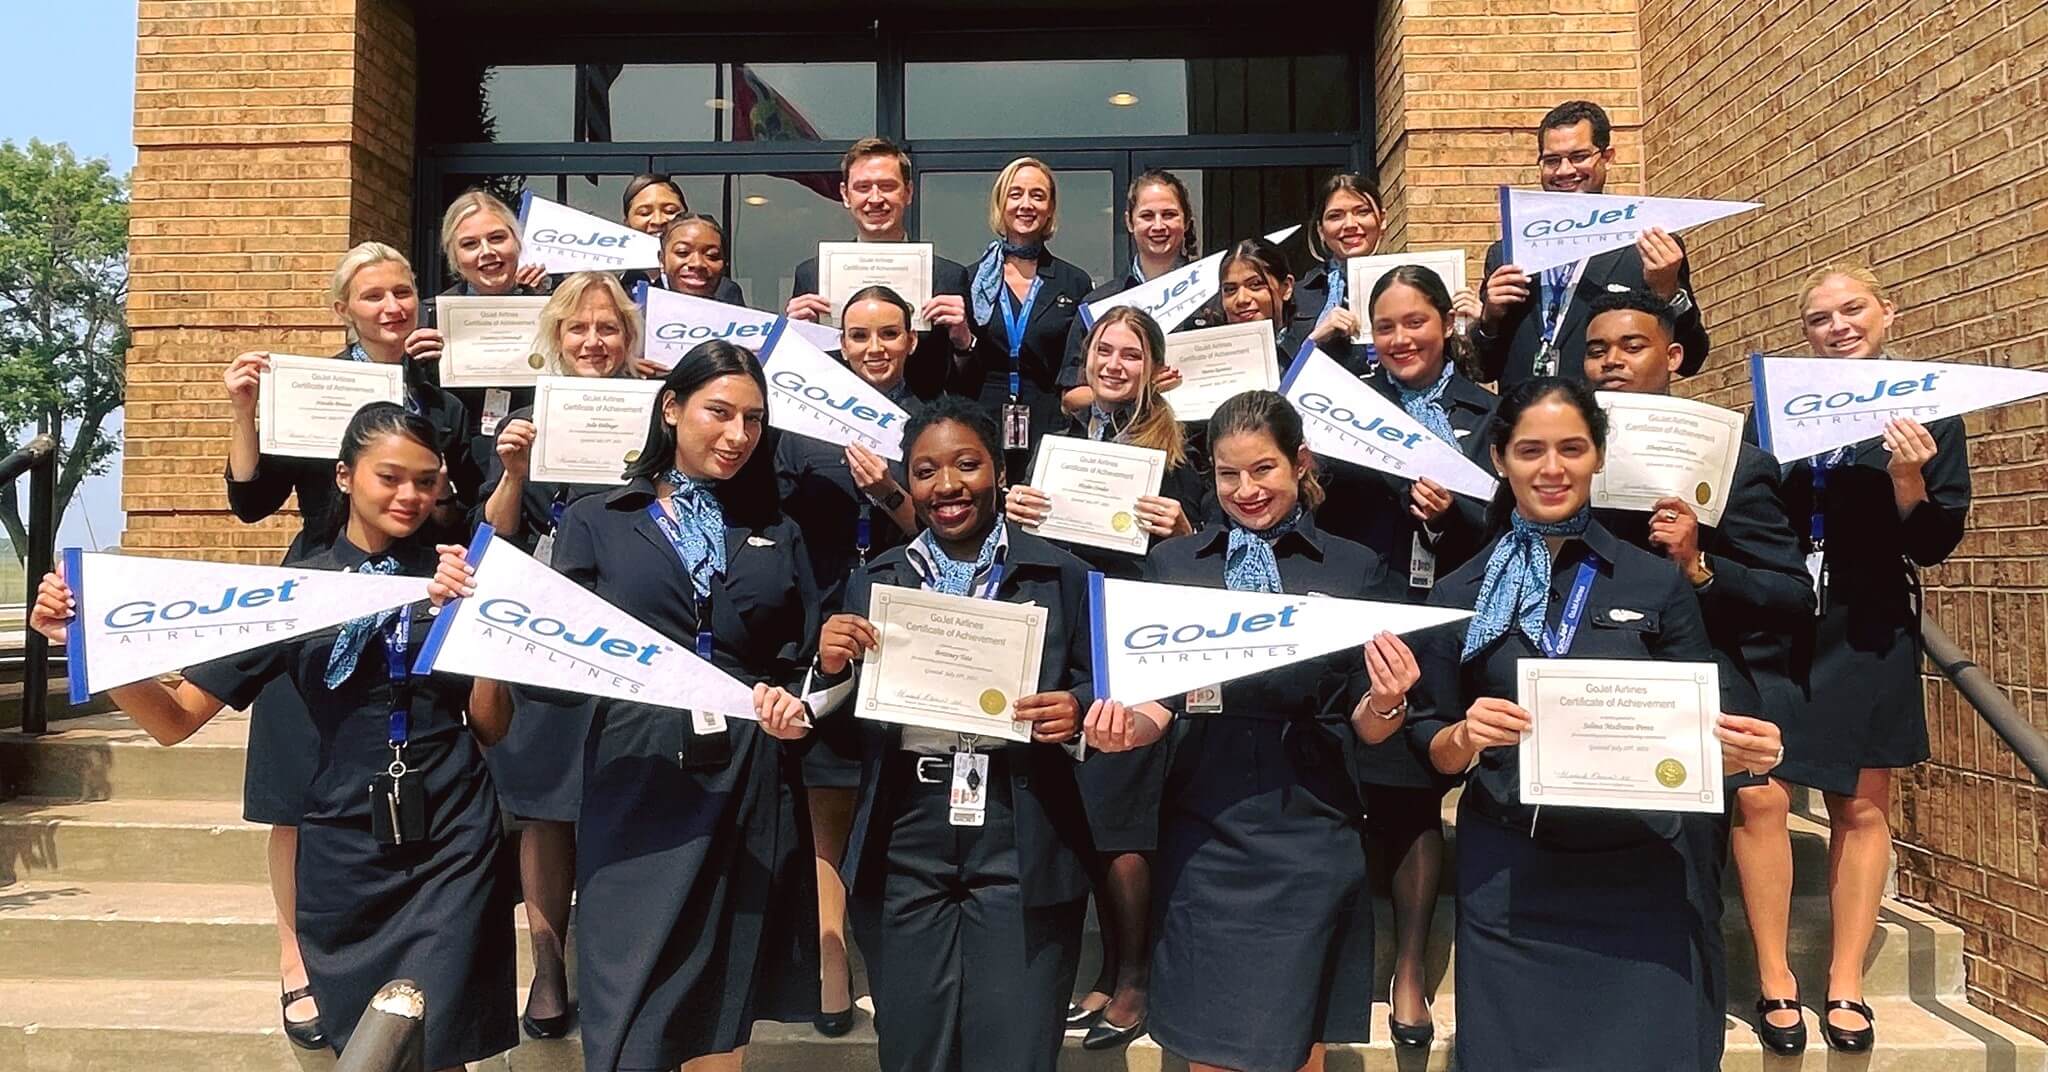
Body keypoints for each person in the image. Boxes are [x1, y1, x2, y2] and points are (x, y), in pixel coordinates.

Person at [34, 403, 518, 1071]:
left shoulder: (456, 575)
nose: (410, 495)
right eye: (390, 477)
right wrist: (87, 645)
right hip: (343, 847)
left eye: (426, 480)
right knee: (373, 1050)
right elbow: (174, 718)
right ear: (345, 477)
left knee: (438, 1039)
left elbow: (492, 724)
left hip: (453, 837)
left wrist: (486, 633)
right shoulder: (291, 592)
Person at [1402, 377, 1784, 1071]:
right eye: (1531, 451)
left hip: (1640, 867)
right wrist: (1463, 737)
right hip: (1515, 875)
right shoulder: (1460, 591)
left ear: (1599, 456)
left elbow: (1704, 711)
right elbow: (1428, 732)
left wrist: (1742, 751)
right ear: (1499, 459)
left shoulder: (1654, 581)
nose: (1552, 468)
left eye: (1572, 448)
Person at [466, 341, 821, 1072]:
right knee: (626, 978)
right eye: (719, 413)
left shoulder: (777, 528)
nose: (737, 435)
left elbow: (799, 659)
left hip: (747, 777)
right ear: (671, 408)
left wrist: (800, 702)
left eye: (754, 420)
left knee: (724, 993)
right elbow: (559, 649)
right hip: (638, 769)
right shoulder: (600, 518)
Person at [1081, 389, 1420, 1072]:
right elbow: (1158, 706)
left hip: (1312, 827)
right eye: (1228, 474)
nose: (1246, 490)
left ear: (1300, 462)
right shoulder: (1176, 566)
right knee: (1208, 1050)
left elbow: (1369, 725)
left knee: (1300, 1049)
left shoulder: (1353, 569)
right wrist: (1124, 731)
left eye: (1263, 469)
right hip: (1205, 828)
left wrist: (1389, 701)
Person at [218, 241, 480, 1049]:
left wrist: (439, 398)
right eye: (374, 296)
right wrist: (244, 409)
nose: (393, 307)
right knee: (297, 786)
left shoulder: (440, 393)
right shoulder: (309, 385)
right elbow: (253, 502)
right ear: (345, 309)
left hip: (414, 591)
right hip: (319, 600)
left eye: (404, 291)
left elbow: (458, 500)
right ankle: (295, 960)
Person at [805, 396, 1096, 1072]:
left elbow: (1098, 689)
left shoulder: (1062, 575)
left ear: (998, 469)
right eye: (926, 471)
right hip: (908, 832)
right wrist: (828, 667)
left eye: (967, 465)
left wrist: (1076, 708)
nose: (947, 487)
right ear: (907, 482)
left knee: (1017, 1049)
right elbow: (835, 731)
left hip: (1020, 824)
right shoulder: (878, 580)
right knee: (914, 1048)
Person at [1734, 265, 1970, 1055]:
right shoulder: (1770, 413)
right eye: (1817, 318)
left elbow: (1935, 542)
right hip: (1775, 620)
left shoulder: (1930, 409)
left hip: (1866, 623)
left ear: (1887, 314)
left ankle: (1845, 981)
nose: (1836, 327)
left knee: (1862, 805)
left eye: (1851, 310)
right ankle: (1775, 977)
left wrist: (1909, 477)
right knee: (1761, 796)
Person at [1582, 287, 1815, 1053]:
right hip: (1595, 674)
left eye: (1631, 346)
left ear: (1674, 355)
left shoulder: (1738, 464)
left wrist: (1702, 566)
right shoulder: (1567, 455)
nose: (1612, 361)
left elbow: (1790, 593)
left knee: (1745, 806)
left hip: (1702, 669)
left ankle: (1762, 981)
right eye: (1597, 350)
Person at [1002, 306, 1207, 1048]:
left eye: (1129, 354)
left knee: (1122, 818)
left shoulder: (1181, 452)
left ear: (1154, 366)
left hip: (1141, 642)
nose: (1113, 364)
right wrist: (1015, 510)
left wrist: (1185, 530)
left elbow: (1215, 547)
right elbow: (1028, 547)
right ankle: (1109, 968)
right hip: (1073, 642)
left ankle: (1135, 980)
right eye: (1103, 351)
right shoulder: (1061, 447)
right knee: (1088, 810)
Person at [1316, 264, 1497, 1047]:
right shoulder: (1347, 408)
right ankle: (1345, 954)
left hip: (1441, 617)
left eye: (1414, 322)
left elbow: (1511, 522)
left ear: (1444, 324)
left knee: (1419, 790)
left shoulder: (1486, 413)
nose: (1399, 340)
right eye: (1384, 327)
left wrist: (1457, 511)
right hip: (1356, 609)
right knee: (1353, 772)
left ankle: (1413, 970)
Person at [471, 269, 647, 1040]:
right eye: (578, 329)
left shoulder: (657, 412)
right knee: (543, 806)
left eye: (608, 329)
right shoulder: (523, 419)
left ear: (628, 338)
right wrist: (513, 472)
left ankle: (615, 963)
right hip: (545, 631)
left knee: (620, 796)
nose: (594, 342)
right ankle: (546, 966)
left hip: (634, 627)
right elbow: (493, 533)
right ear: (555, 338)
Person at [772, 284, 925, 1038]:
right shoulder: (798, 422)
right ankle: (832, 962)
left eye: (888, 334)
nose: (874, 347)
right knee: (827, 784)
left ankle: (897, 962)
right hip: (823, 610)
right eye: (858, 334)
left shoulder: (927, 420)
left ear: (910, 342)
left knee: (893, 785)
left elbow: (952, 522)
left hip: (911, 616)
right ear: (840, 342)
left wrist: (891, 490)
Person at [1471, 100, 1710, 389]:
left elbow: (1692, 358)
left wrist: (1667, 291)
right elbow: (1482, 371)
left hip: (1609, 422)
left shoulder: (1648, 247)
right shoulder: (1508, 252)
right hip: (1525, 423)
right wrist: (1490, 319)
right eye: (1551, 160)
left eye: (1579, 156)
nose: (1564, 170)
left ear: (1606, 156)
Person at [785, 137, 974, 401]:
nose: (875, 199)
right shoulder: (812, 275)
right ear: (845, 194)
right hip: (839, 422)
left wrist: (963, 340)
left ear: (908, 193)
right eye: (863, 187)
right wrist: (796, 337)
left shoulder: (948, 277)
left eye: (887, 187)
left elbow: (968, 385)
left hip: (921, 425)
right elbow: (798, 377)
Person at [953, 156, 1094, 452]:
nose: (1026, 204)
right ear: (1000, 204)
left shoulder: (1074, 281)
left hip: (1052, 424)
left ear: (1050, 208)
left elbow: (1078, 366)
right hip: (981, 422)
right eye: (1015, 194)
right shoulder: (971, 279)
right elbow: (957, 369)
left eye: (1038, 195)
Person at [410, 190, 551, 483]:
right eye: (470, 244)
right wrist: (408, 364)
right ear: (455, 258)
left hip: (535, 459)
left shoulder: (554, 311)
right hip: (457, 469)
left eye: (498, 238)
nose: (487, 251)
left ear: (517, 243)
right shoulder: (428, 317)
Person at [1058, 169, 1208, 415]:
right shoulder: (1100, 304)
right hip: (1123, 445)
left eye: (1169, 215)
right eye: (1147, 216)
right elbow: (1070, 398)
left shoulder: (1213, 295)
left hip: (1196, 443)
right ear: (1130, 222)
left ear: (1187, 221)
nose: (1158, 226)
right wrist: (1138, 388)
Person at [1289, 174, 1385, 374]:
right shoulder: (1297, 296)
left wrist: (1467, 327)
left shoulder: (1411, 285)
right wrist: (1316, 338)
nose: (1350, 224)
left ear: (1382, 220)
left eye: (1362, 212)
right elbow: (1282, 373)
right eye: (1335, 216)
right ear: (1321, 230)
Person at [1216, 237, 1306, 374]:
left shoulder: (1308, 352)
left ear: (1286, 287)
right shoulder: (1210, 359)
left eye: (1255, 285)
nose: (1242, 299)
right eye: (1230, 289)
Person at [655, 211, 747, 306]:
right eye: (683, 252)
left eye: (711, 255)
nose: (697, 263)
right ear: (662, 260)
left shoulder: (736, 314)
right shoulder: (642, 312)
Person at [620, 174, 690, 291]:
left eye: (670, 211)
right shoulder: (613, 292)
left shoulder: (721, 292)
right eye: (644, 213)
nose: (658, 220)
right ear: (627, 224)